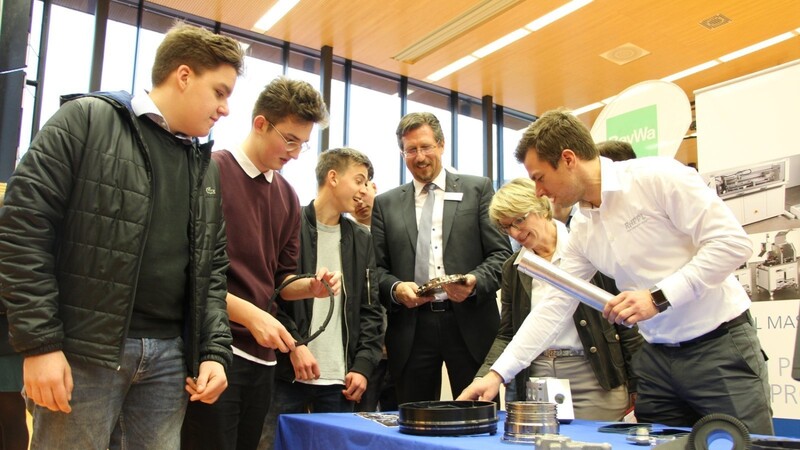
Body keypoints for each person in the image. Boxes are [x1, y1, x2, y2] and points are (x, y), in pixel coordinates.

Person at [0, 23, 243, 449]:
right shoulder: (86, 120)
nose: (225, 108)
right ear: (183, 76)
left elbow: (211, 271)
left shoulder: (204, 165)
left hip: (170, 362)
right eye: (220, 92)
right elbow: (22, 228)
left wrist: (214, 352)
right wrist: (39, 344)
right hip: (83, 353)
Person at [458, 109, 773, 435]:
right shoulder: (582, 226)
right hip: (657, 357)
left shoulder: (657, 178)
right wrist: (496, 375)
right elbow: (554, 306)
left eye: (539, 178)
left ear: (568, 159)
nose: (538, 192)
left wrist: (659, 298)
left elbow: (732, 243)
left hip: (718, 345)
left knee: (744, 443)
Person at [181, 77, 335, 450]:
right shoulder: (209, 172)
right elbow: (192, 273)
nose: (296, 154)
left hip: (263, 360)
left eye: (303, 144)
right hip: (214, 351)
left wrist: (309, 287)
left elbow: (280, 280)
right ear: (261, 123)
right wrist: (248, 314)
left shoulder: (286, 194)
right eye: (290, 140)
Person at [372, 112, 512, 404]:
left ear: (441, 145)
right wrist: (396, 290)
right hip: (412, 328)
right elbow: (377, 270)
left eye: (426, 147)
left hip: (470, 322)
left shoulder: (478, 190)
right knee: (414, 418)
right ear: (402, 153)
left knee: (477, 418)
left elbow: (501, 256)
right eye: (411, 150)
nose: (420, 157)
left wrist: (473, 282)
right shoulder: (385, 204)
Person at [477, 178, 643, 421]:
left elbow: (625, 321)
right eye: (505, 227)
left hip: (594, 374)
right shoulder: (513, 268)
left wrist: (639, 383)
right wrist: (486, 375)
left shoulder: (588, 250)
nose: (514, 232)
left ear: (543, 209)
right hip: (535, 376)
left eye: (519, 220)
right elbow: (508, 333)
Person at [259, 148, 384, 448]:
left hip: (340, 382)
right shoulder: (289, 224)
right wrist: (294, 346)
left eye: (367, 183)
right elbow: (268, 294)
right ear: (333, 177)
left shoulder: (361, 239)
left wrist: (363, 366)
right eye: (359, 180)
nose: (364, 191)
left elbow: (370, 309)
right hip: (286, 374)